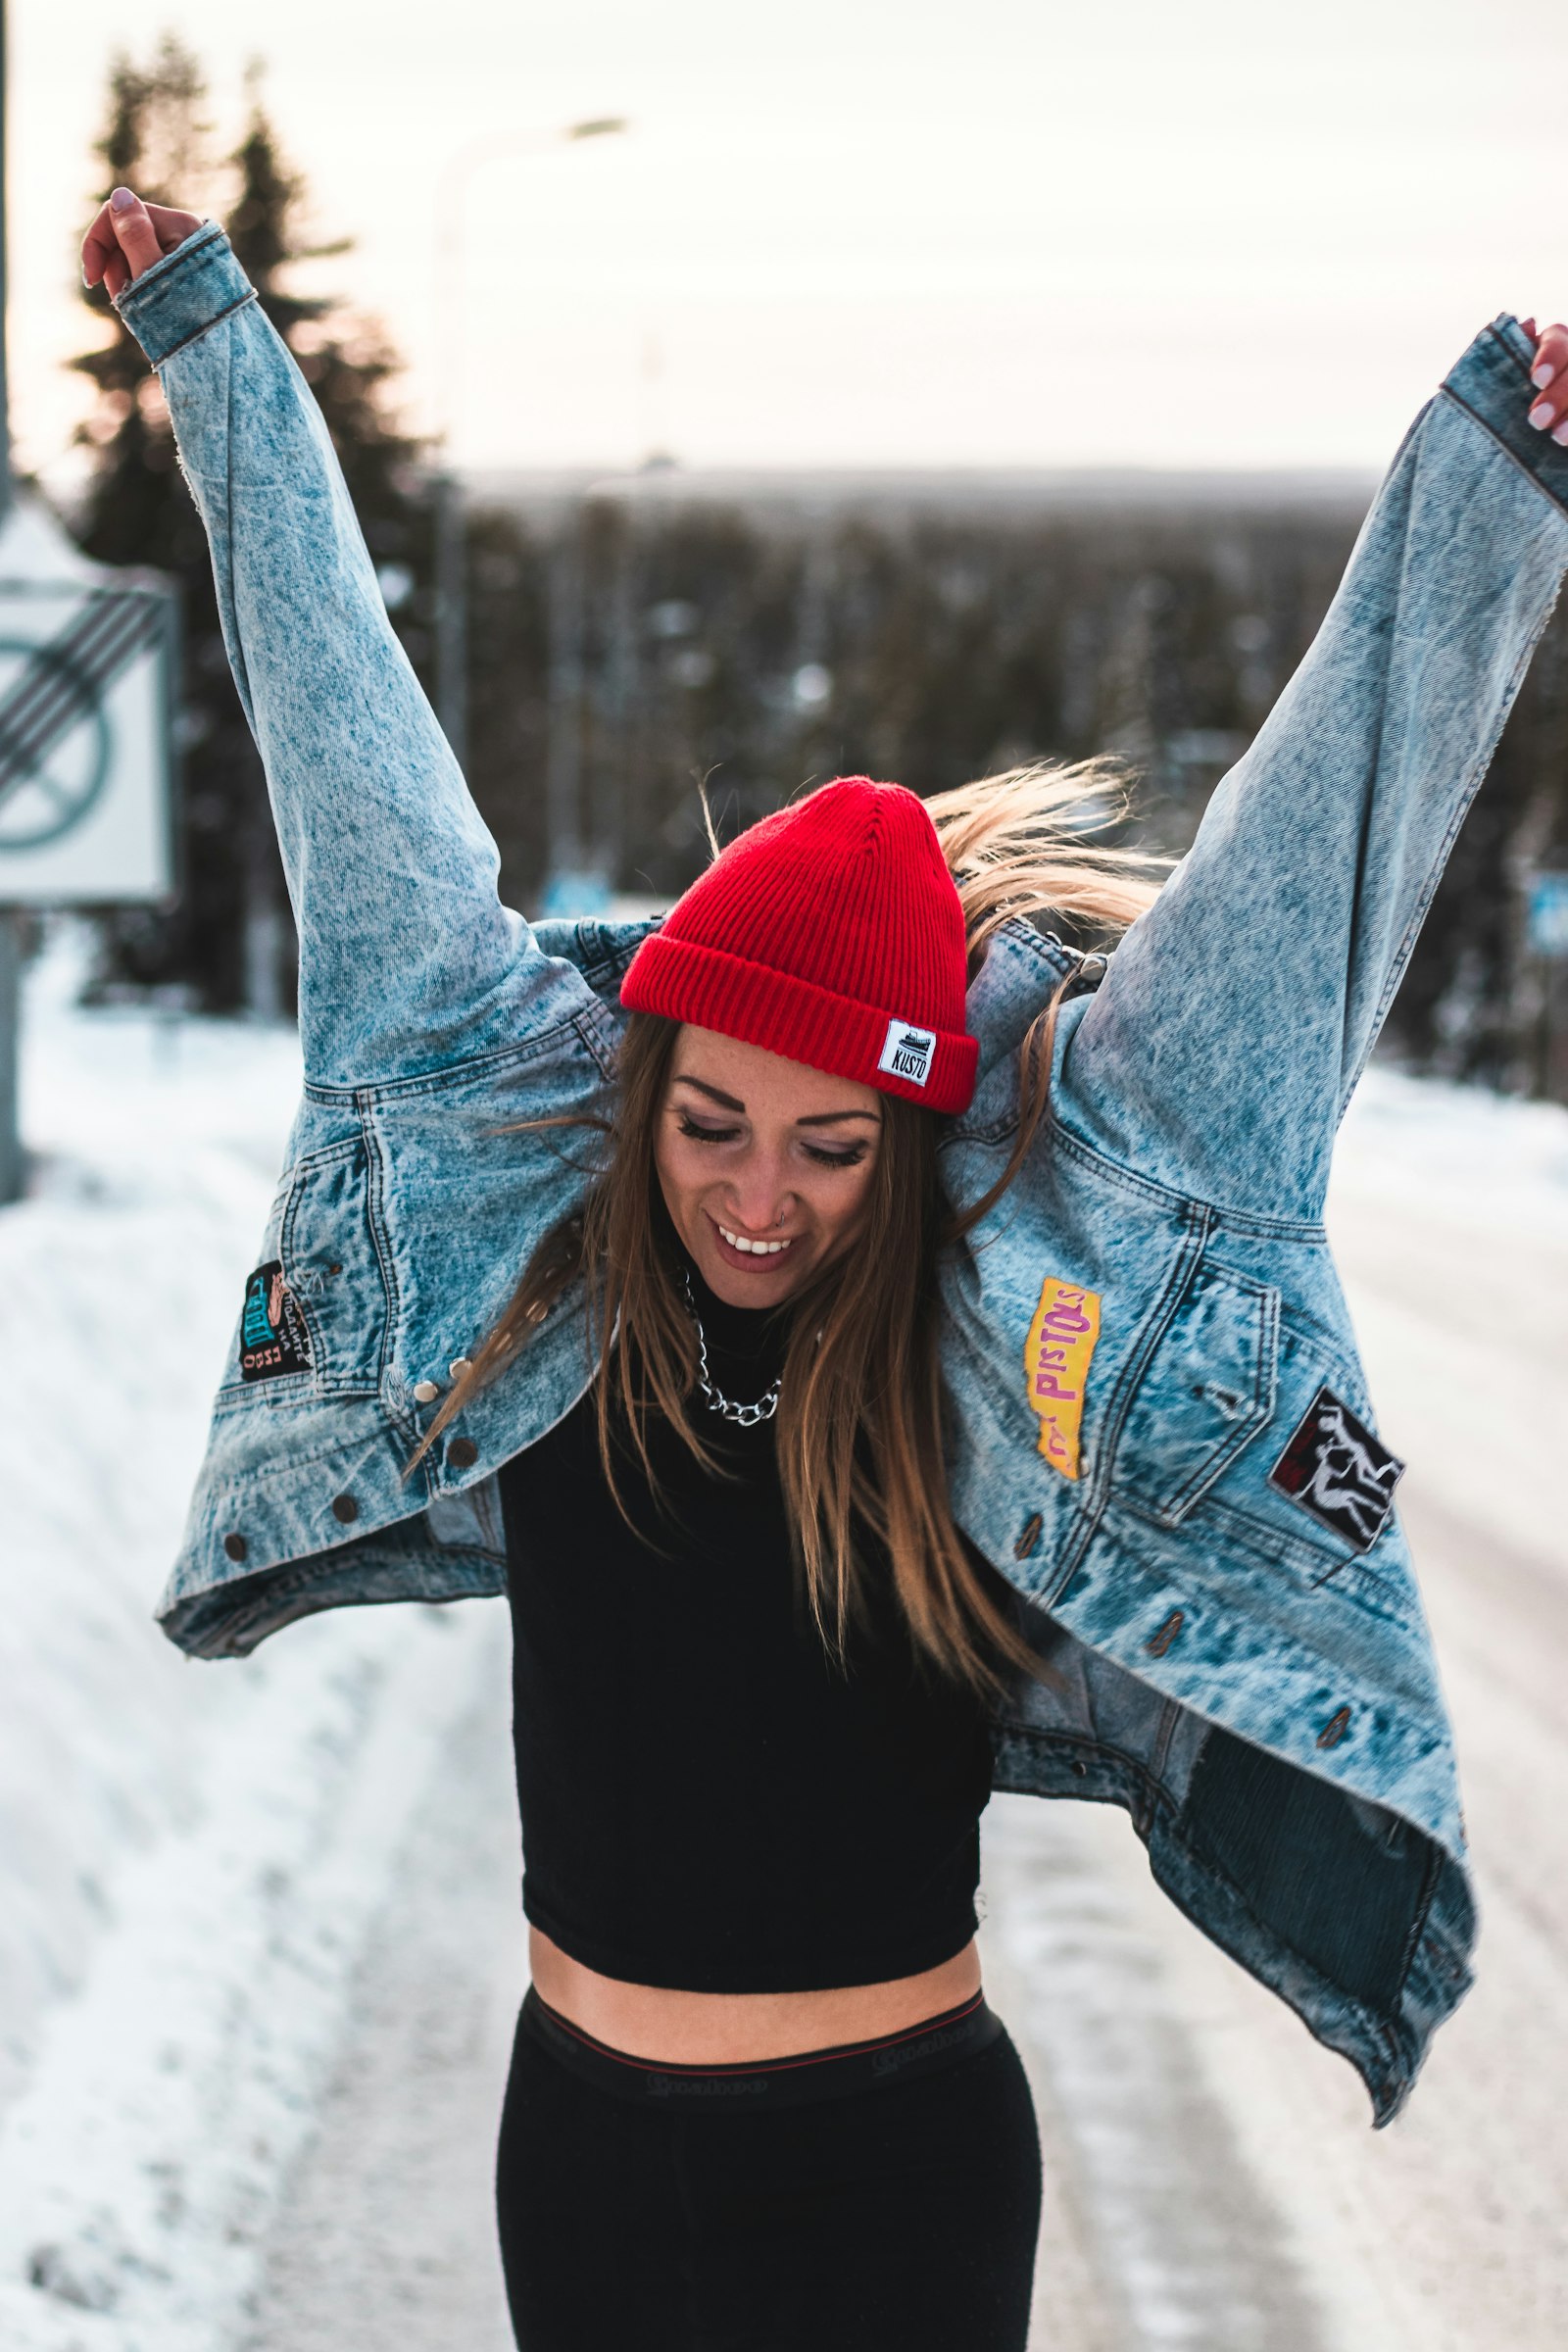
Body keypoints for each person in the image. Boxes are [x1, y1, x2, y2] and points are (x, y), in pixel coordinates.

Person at [82, 185, 1568, 2352]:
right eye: (707, 1128)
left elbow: (1289, 895)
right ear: (637, 1086)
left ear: (908, 1136)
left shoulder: (984, 1307)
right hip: (577, 2139)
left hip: (892, 2162)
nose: (758, 1199)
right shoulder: (541, 1238)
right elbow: (351, 758)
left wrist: (1486, 493)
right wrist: (215, 345)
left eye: (827, 1150)